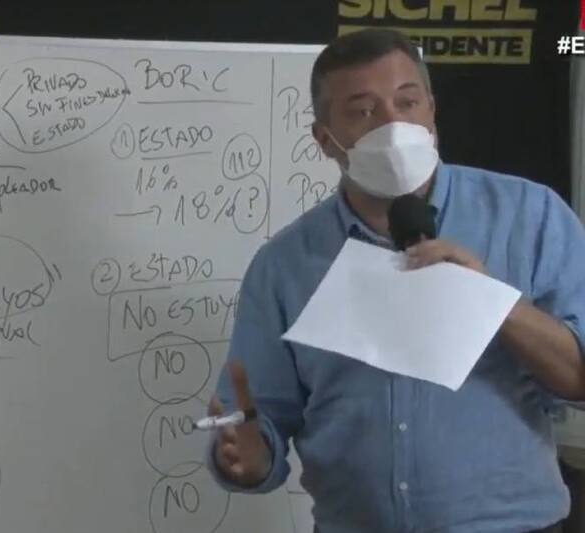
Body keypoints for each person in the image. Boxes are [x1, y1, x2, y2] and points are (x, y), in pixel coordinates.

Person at [206, 28, 585, 533]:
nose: (392, 124)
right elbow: (258, 424)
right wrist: (249, 459)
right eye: (363, 111)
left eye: (407, 102)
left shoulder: (529, 215)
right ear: (325, 139)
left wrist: (493, 303)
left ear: (432, 110)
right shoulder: (285, 264)